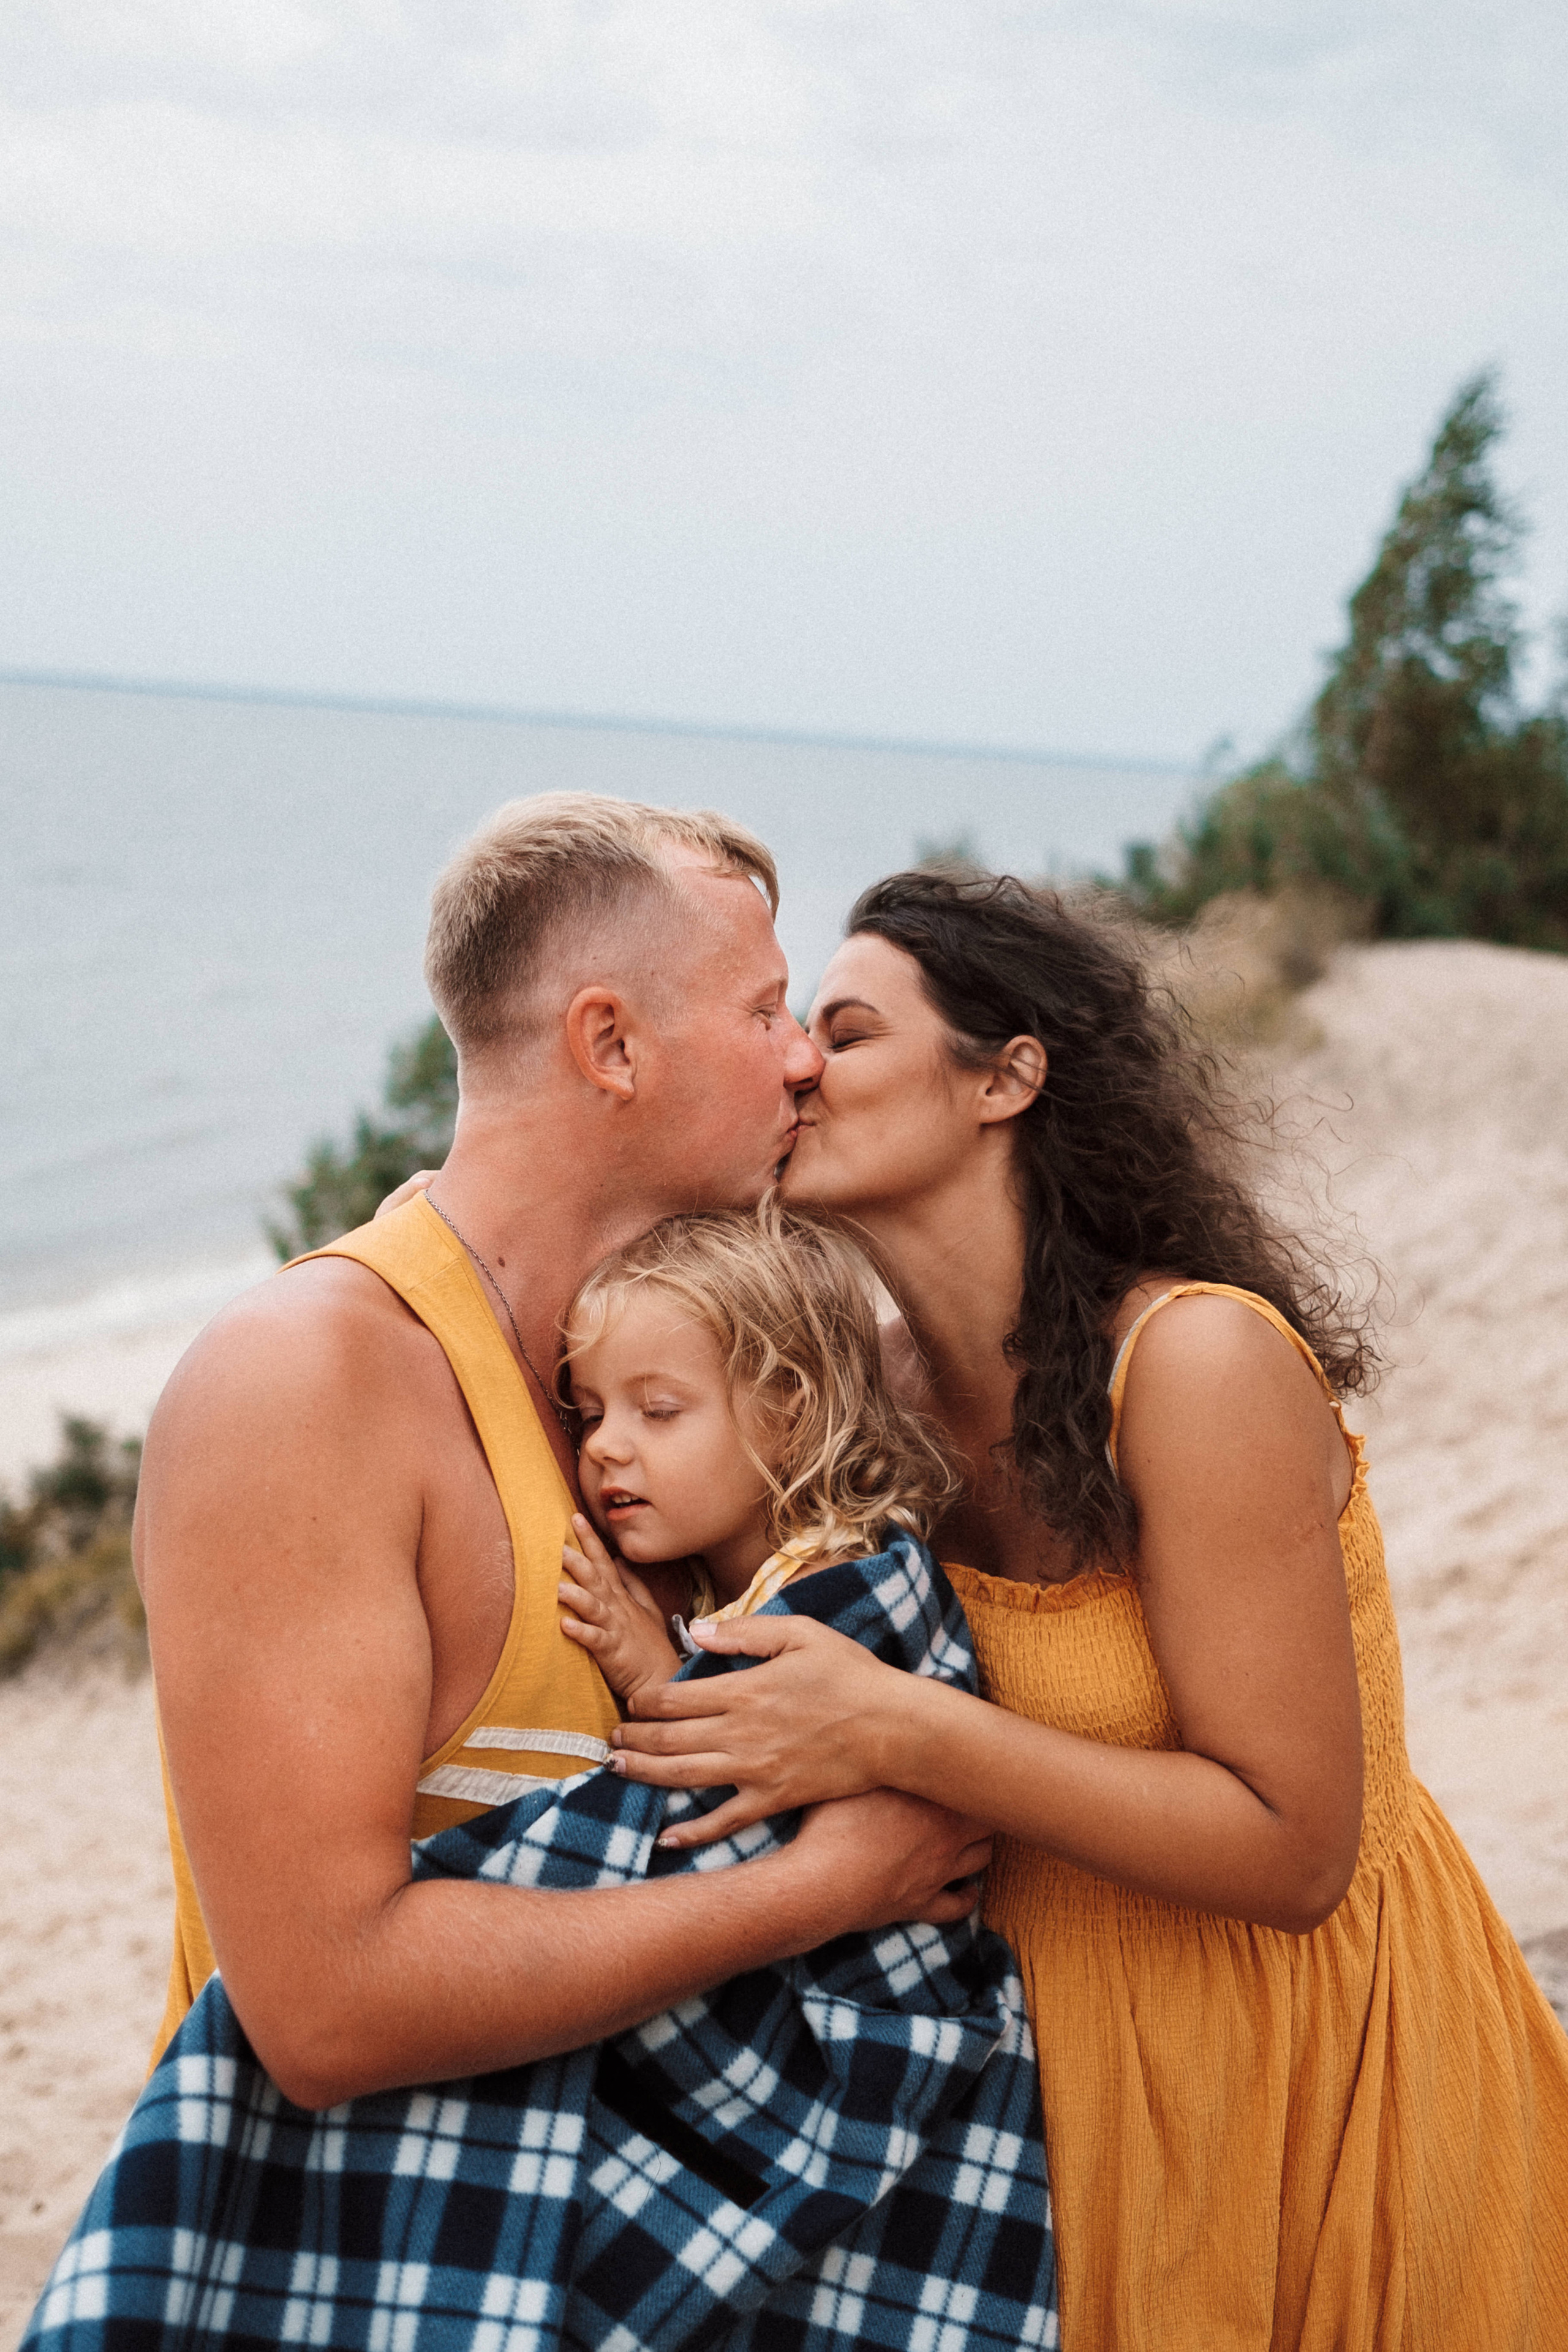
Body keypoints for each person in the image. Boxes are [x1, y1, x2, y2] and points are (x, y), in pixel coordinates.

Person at [611, 867, 1568, 2348]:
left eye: (845, 1032)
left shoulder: (1192, 1365)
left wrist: (898, 1729)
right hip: (1037, 2116)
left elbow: (1294, 1846)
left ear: (1005, 1078)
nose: (796, 1062)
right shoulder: (863, 1400)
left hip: (1309, 2075)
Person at [135, 797, 990, 2111]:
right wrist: (824, 1886)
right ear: (610, 1045)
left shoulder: (685, 1370)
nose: (802, 1061)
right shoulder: (306, 1384)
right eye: (764, 1010)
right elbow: (324, 2011)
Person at [553, 1197, 959, 1703]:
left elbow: (768, 1748)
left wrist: (653, 1676)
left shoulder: (845, 1592)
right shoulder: (720, 1576)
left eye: (659, 1411)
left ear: (794, 1422)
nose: (602, 1445)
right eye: (591, 1415)